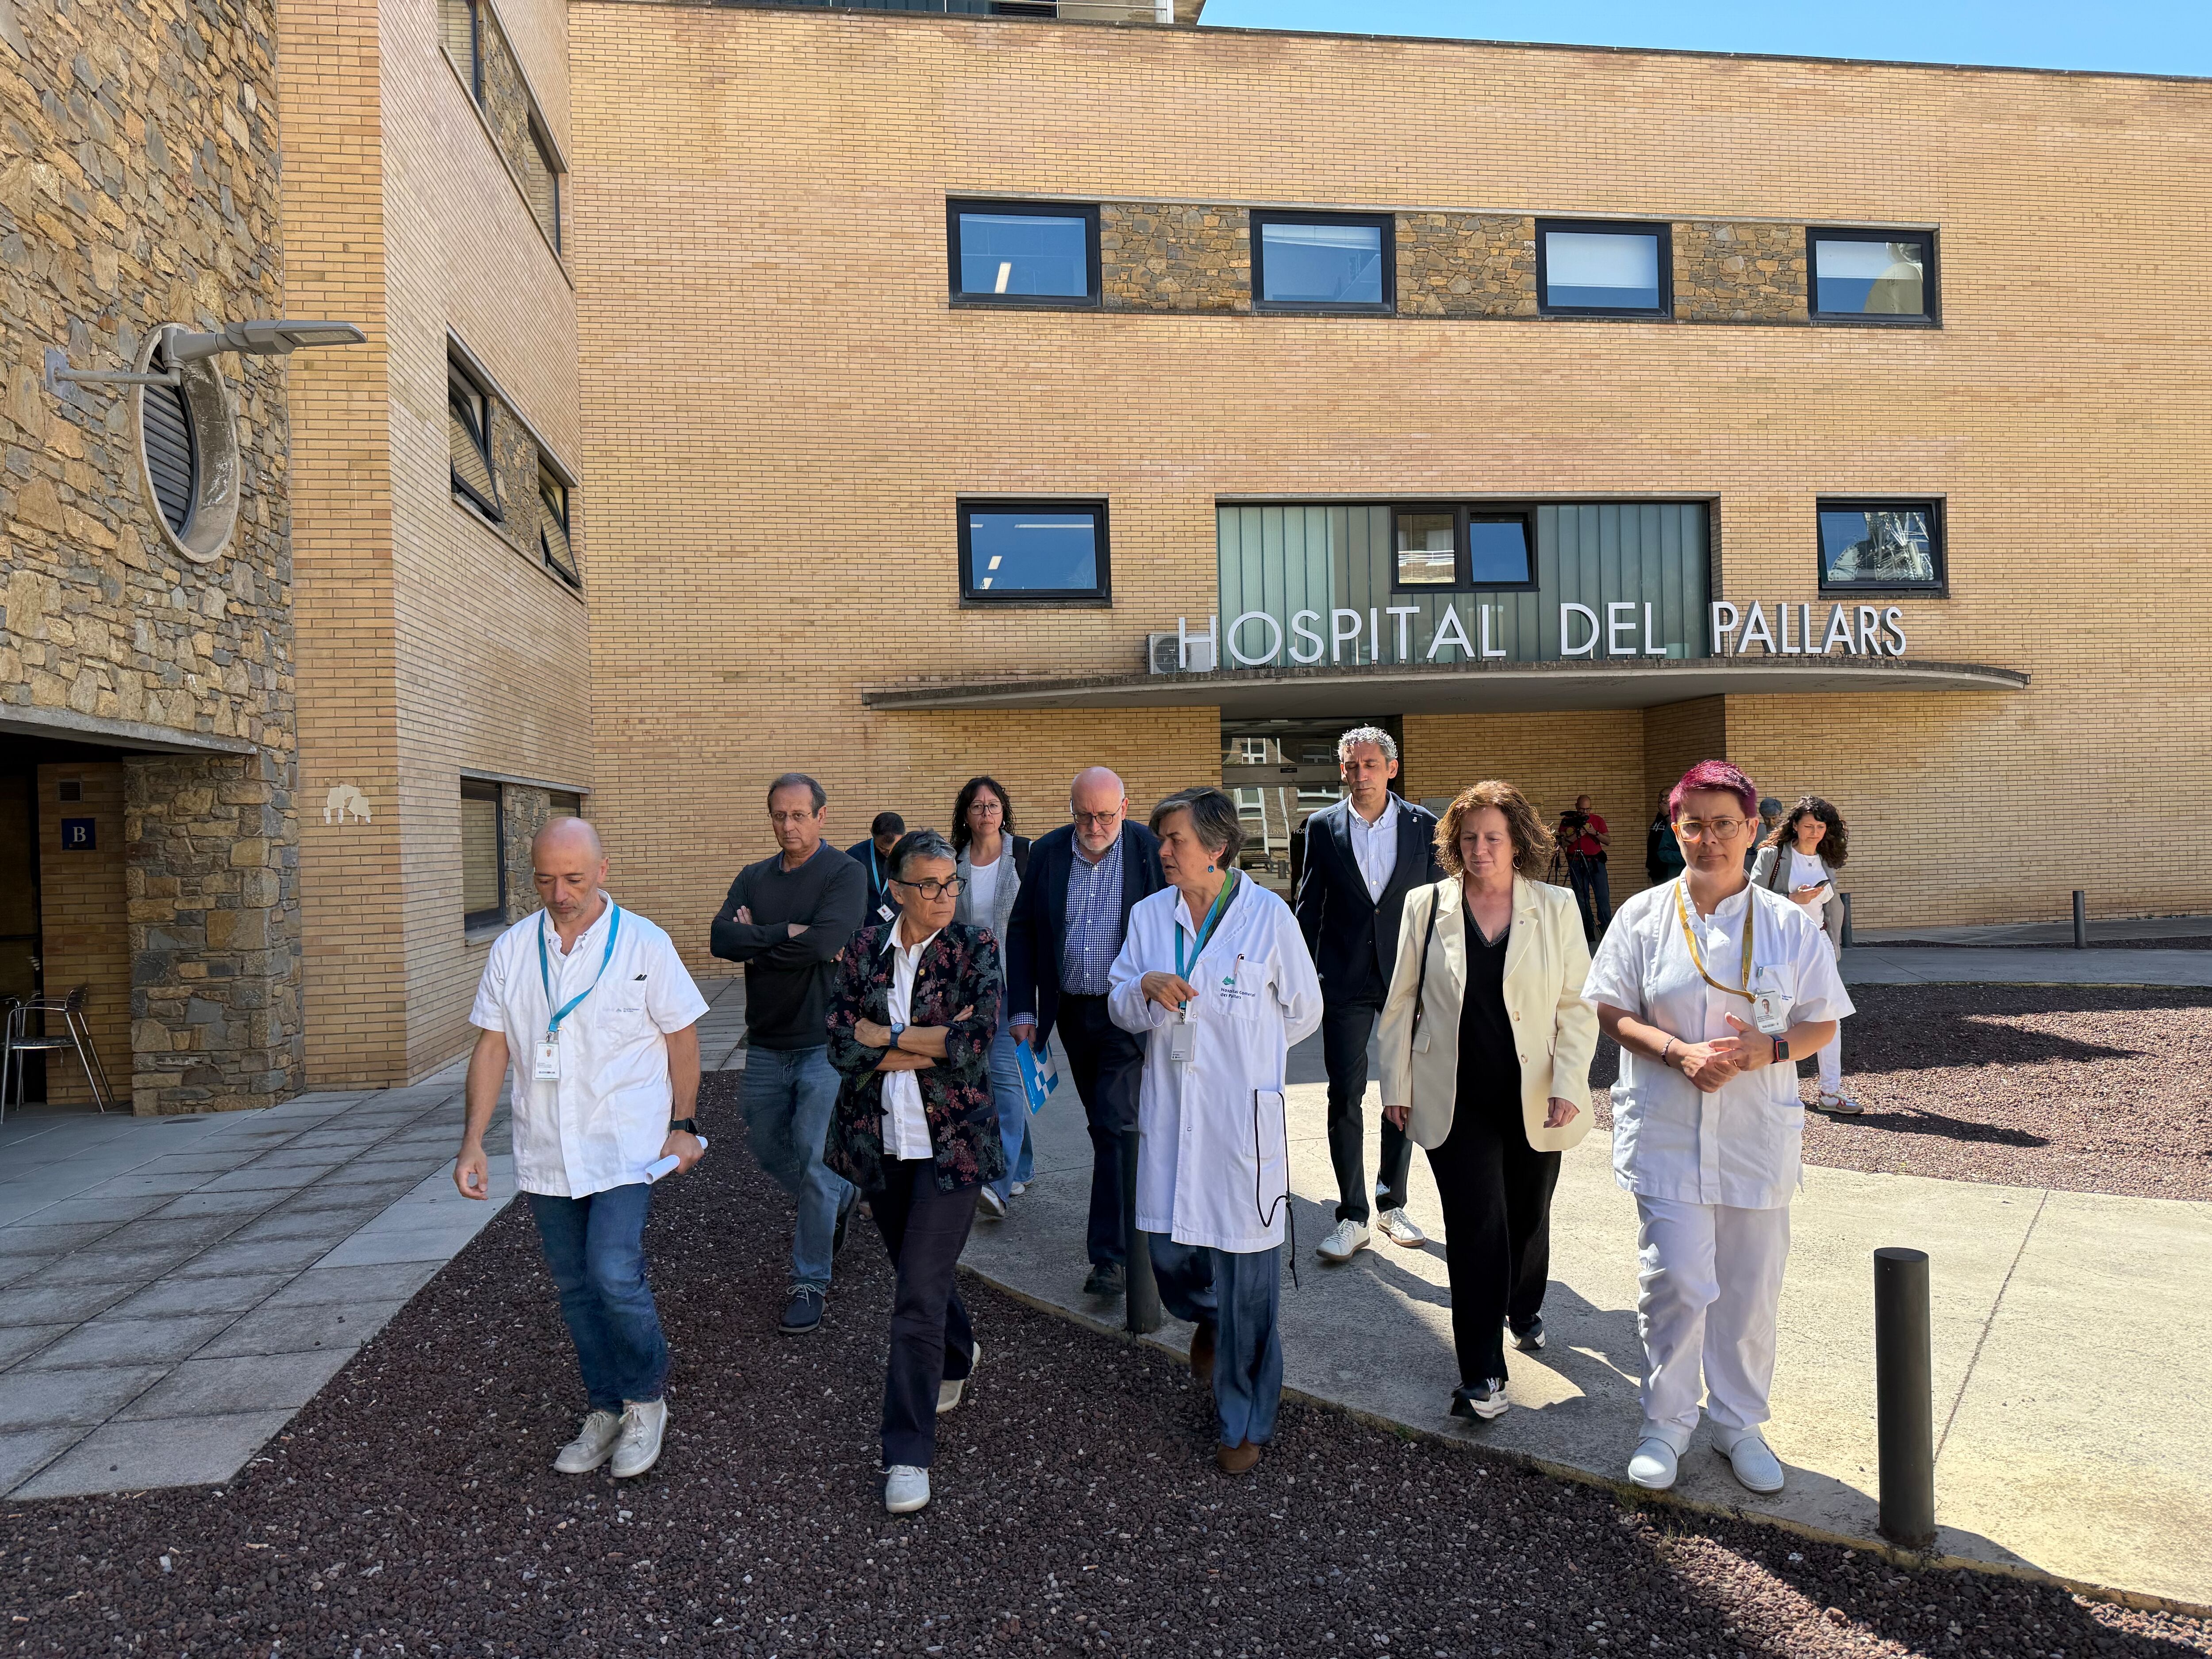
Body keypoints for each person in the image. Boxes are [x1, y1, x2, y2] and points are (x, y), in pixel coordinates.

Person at [1582, 760, 1852, 1498]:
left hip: (1754, 1134)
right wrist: (1677, 1052)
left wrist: (1769, 1050)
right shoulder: (1643, 916)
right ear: (1676, 829)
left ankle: (1739, 1424)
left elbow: (1822, 1020)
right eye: (1694, 825)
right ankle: (1666, 1423)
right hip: (1668, 1130)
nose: (1710, 839)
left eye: (1725, 824)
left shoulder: (1788, 924)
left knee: (1749, 1287)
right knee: (1674, 1279)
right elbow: (1609, 1008)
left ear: (1753, 830)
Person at [456, 818, 709, 1479]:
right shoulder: (513, 948)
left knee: (613, 1272)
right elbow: (492, 1044)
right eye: (545, 880)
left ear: (602, 870)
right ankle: (604, 1407)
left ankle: (646, 1400)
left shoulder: (644, 943)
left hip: (626, 1145)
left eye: (573, 878)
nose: (560, 893)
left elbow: (681, 1036)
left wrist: (684, 1122)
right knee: (574, 1285)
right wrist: (473, 1141)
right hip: (547, 1147)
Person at [1109, 787, 1321, 1475]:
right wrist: (1144, 987)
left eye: (1175, 839)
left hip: (1242, 1120)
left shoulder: (1268, 917)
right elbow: (1118, 1004)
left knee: (1250, 1281)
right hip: (1173, 1113)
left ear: (1217, 848)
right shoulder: (1150, 916)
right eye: (1161, 838)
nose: (1163, 850)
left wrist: (1247, 1055)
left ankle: (1245, 1421)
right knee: (1170, 1254)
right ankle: (1209, 1315)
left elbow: (1305, 1011)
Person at [1376, 781, 1598, 1422]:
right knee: (1476, 1227)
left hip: (1537, 1095)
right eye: (1468, 837)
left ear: (1517, 841)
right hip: (1455, 1097)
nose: (1480, 849)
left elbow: (1576, 1006)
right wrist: (1396, 1084)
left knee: (1526, 1218)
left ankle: (1523, 1305)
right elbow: (1401, 1001)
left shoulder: (1555, 906)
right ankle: (1482, 1376)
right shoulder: (1426, 905)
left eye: (1493, 837)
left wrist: (1568, 1082)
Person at [823, 829, 1002, 1515]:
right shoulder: (864, 949)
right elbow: (841, 1045)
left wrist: (887, 1037)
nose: (945, 895)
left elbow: (973, 1044)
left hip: (951, 1148)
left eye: (951, 882)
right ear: (896, 889)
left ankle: (907, 1452)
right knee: (918, 1274)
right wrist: (927, 1044)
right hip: (880, 1144)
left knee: (915, 1298)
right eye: (929, 884)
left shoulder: (975, 947)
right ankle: (958, 1351)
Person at [710, 773, 868, 1336]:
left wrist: (758, 944)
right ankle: (843, 1197)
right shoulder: (753, 877)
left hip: (823, 1043)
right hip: (765, 1043)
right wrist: (785, 934)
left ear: (821, 816)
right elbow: (720, 940)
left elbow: (827, 942)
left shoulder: (844, 873)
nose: (788, 825)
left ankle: (809, 1280)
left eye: (799, 815)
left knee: (814, 1156)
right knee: (767, 1147)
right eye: (779, 815)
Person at [1004, 766, 1165, 1300]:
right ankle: (1137, 1225)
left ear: (1124, 808)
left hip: (1129, 1011)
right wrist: (1022, 1008)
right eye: (1083, 816)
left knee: (1116, 1124)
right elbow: (1022, 930)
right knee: (1104, 1127)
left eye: (1103, 816)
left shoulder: (1148, 850)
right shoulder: (1049, 852)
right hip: (1072, 1013)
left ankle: (1111, 1259)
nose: (1093, 827)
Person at [1294, 726, 1442, 1264]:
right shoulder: (1321, 827)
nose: (1360, 775)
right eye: (1352, 766)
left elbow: (1440, 907)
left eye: (1370, 765)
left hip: (1406, 979)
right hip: (1344, 980)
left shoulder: (1424, 826)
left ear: (1391, 769)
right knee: (1345, 1093)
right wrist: (1298, 975)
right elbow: (1309, 906)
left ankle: (1390, 1203)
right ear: (1342, 770)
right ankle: (1351, 1215)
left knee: (1400, 1091)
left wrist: (1439, 977)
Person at [952, 775, 1034, 1219]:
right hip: (970, 987)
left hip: (1011, 982)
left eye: (993, 805)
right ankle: (1023, 1165)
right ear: (965, 815)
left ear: (1003, 811)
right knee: (984, 1077)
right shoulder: (954, 861)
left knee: (1003, 1078)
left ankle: (997, 1186)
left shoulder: (1024, 853)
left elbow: (1039, 918)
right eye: (977, 806)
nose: (985, 813)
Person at [1750, 796, 1856, 1114]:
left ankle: (1830, 1091)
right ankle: (1776, 1092)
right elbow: (1752, 897)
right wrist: (1791, 898)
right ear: (1794, 825)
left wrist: (1834, 943)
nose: (1814, 832)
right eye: (1809, 826)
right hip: (1780, 943)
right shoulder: (1773, 855)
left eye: (1821, 827)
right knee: (1776, 1014)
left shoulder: (1825, 859)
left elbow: (1831, 906)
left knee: (1829, 1014)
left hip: (1818, 941)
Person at [1559, 793, 1611, 944]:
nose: (1585, 813)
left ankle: (1606, 928)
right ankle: (1587, 931)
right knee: (1582, 898)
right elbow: (1563, 844)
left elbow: (1608, 841)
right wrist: (1577, 835)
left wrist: (1595, 833)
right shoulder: (1568, 821)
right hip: (1576, 862)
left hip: (1596, 862)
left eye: (1588, 810)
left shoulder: (1597, 820)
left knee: (1602, 896)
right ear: (1577, 807)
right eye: (1582, 810)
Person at [847, 811, 906, 929]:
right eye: (882, 849)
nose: (889, 853)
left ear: (903, 836)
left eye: (894, 848)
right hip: (866, 926)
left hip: (901, 924)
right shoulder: (854, 857)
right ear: (872, 834)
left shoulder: (912, 856)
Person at [1645, 794, 1685, 887]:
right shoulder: (1667, 821)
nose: (1663, 800)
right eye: (1661, 796)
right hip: (1670, 874)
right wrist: (1687, 857)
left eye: (1667, 797)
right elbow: (1663, 852)